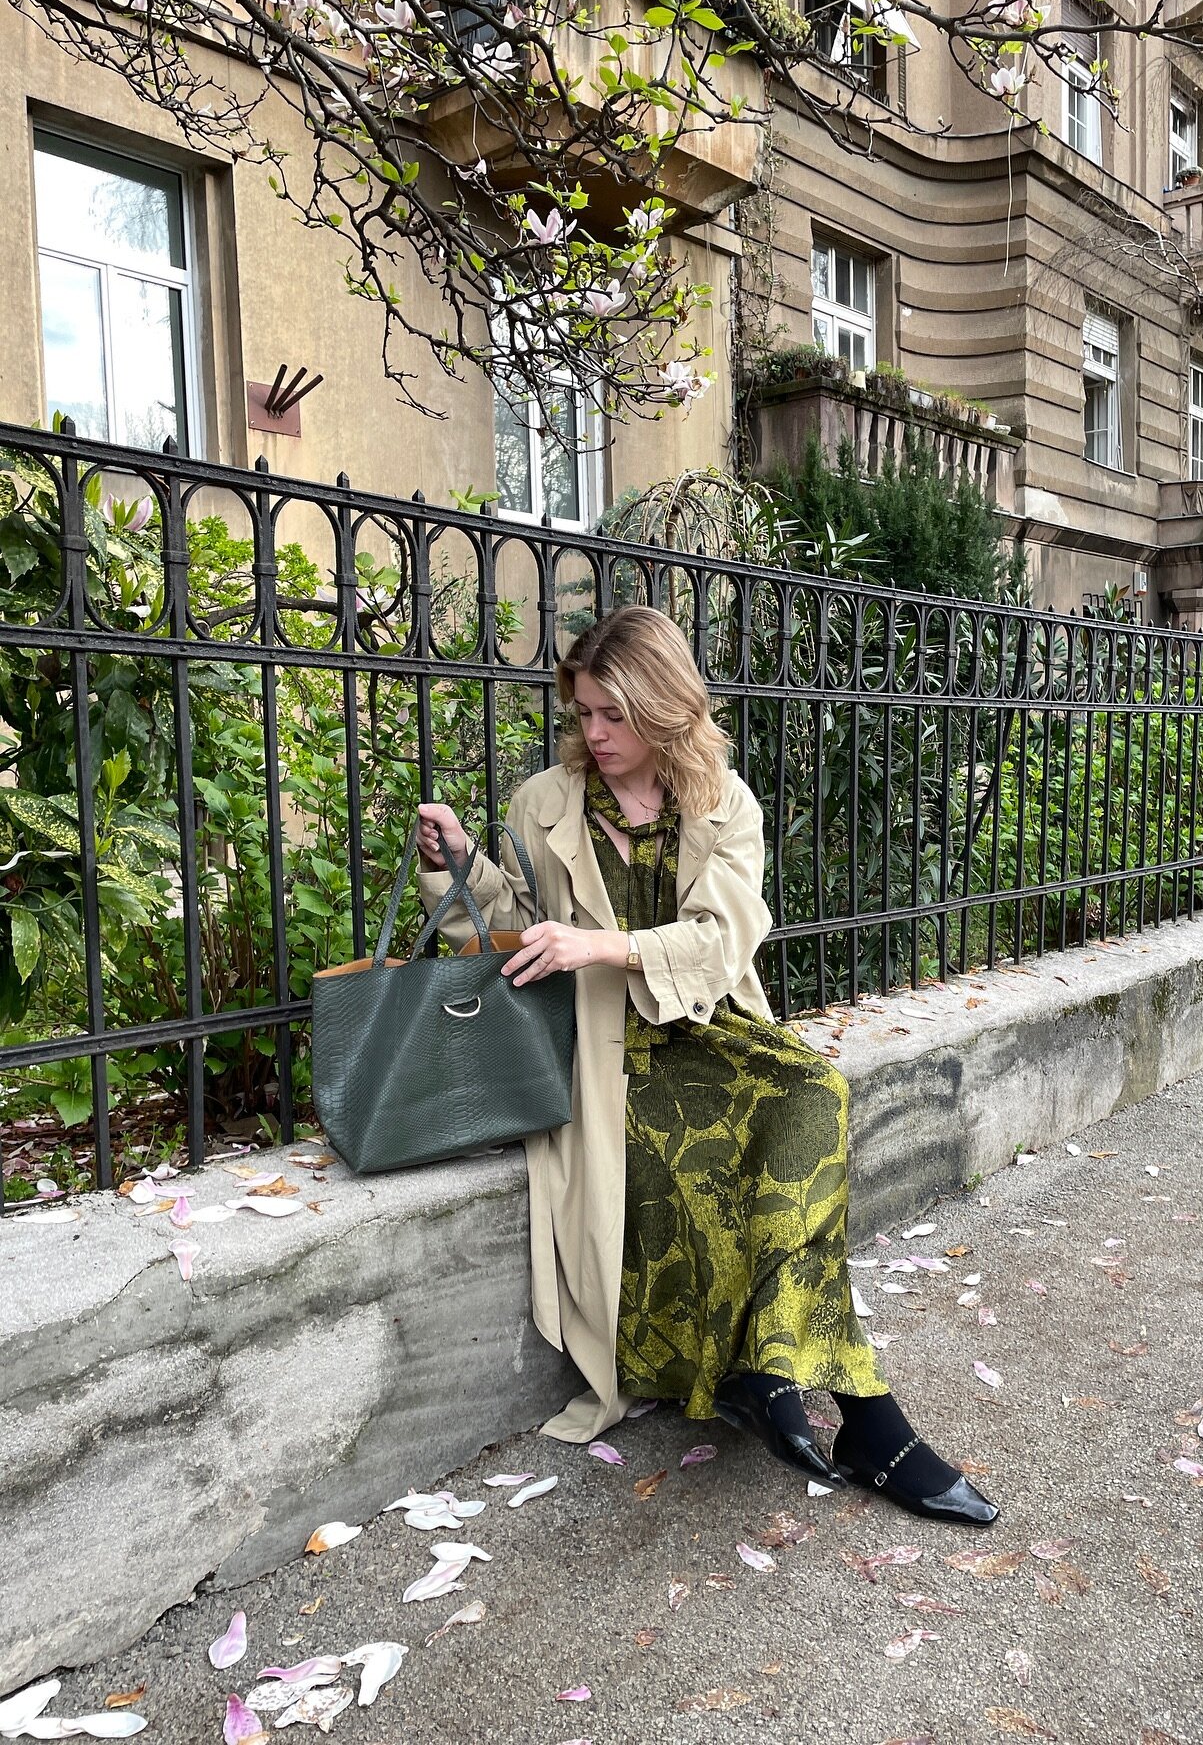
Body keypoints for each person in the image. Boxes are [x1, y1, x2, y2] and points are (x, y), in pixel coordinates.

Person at [414, 606, 998, 1525]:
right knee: (701, 1158)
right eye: (583, 713)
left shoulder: (722, 800)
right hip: (601, 1051)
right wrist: (458, 869)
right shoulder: (545, 803)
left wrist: (597, 945)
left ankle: (772, 1377)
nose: (593, 734)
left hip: (707, 1022)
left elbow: (723, 942)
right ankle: (867, 1420)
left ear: (663, 706)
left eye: (613, 714)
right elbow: (511, 935)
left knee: (812, 1097)